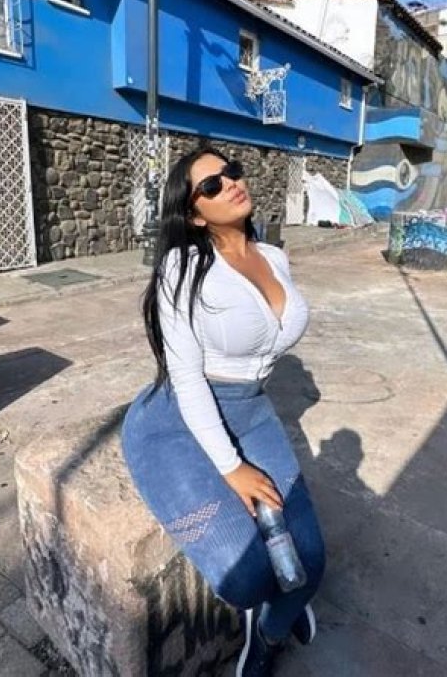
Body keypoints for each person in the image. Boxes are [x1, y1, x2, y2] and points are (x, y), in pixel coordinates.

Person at [121, 146, 325, 676]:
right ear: (194, 214)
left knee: (311, 560)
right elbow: (187, 379)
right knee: (246, 577)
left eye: (230, 172)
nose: (230, 183)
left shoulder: (274, 256)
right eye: (210, 185)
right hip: (174, 423)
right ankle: (269, 605)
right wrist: (232, 468)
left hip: (250, 409)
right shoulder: (182, 268)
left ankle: (270, 631)